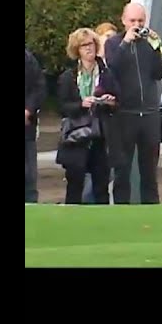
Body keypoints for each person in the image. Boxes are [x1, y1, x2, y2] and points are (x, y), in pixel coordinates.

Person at [102, 2, 162, 204]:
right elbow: (112, 68)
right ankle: (121, 207)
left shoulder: (148, 44)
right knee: (123, 168)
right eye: (132, 21)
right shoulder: (113, 44)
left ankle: (151, 208)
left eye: (140, 20)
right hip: (125, 113)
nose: (136, 25)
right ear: (123, 21)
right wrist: (125, 43)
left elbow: (158, 73)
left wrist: (157, 48)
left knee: (149, 169)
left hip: (148, 113)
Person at [56, 28, 114, 204]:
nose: (89, 49)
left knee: (101, 185)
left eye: (91, 44)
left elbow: (118, 98)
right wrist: (81, 104)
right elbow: (62, 106)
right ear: (77, 50)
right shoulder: (68, 76)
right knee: (74, 185)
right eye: (84, 46)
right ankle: (71, 222)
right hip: (77, 135)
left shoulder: (106, 73)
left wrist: (110, 101)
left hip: (100, 133)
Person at [25, 46, 47, 203]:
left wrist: (28, 109)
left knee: (28, 175)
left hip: (26, 127)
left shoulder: (28, 59)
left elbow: (39, 86)